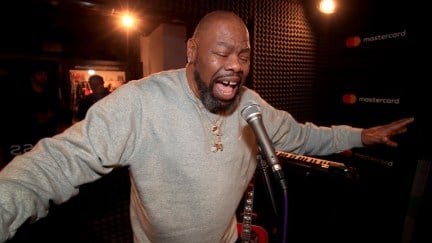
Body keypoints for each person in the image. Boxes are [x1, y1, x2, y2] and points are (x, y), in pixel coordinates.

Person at [0, 10, 414, 242]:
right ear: (192, 51)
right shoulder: (141, 103)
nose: (235, 65)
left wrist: (361, 135)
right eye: (221, 53)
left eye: (244, 55)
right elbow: (58, 162)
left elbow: (305, 134)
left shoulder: (252, 107)